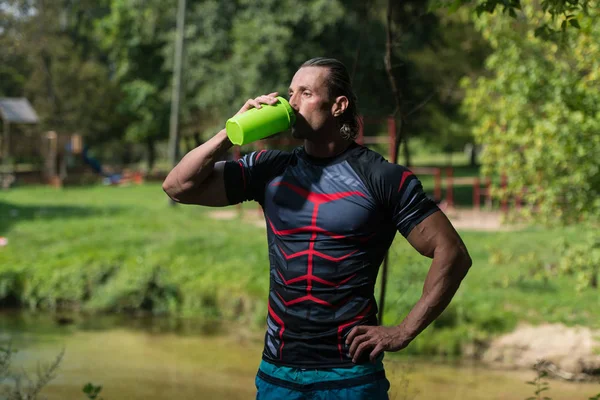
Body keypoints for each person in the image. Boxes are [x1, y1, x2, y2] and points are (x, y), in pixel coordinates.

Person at [162, 57, 472, 399]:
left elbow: (452, 252)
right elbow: (178, 186)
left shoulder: (382, 178)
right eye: (291, 93)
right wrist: (231, 129)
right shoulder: (270, 168)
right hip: (277, 374)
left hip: (350, 376)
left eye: (305, 93)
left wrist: (402, 332)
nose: (291, 103)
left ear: (338, 105)